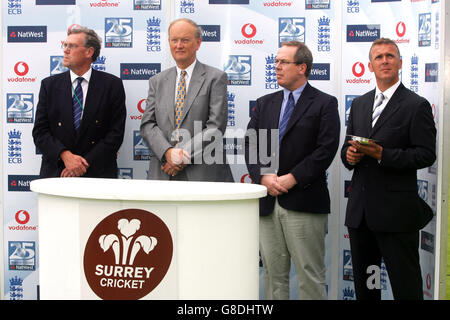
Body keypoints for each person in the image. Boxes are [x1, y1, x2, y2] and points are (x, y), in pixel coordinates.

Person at [341, 38, 436, 300]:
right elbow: (346, 148)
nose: (385, 60)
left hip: (396, 216)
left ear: (400, 63)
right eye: (379, 57)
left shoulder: (416, 105)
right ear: (369, 66)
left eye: (390, 56)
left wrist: (384, 155)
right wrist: (349, 155)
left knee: (406, 287)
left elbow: (426, 154)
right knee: (368, 287)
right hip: (361, 216)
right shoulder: (359, 103)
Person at [245, 41, 340, 299]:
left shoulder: (324, 103)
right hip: (268, 203)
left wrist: (293, 178)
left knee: (309, 276)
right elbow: (251, 143)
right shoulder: (265, 103)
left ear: (302, 67)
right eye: (275, 61)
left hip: (304, 200)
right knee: (274, 278)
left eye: (282, 62)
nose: (276, 67)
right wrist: (263, 176)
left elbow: (326, 149)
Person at [140, 18, 233, 182]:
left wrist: (179, 156)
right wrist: (167, 152)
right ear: (169, 42)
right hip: (163, 171)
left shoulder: (215, 78)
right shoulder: (157, 80)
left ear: (198, 43)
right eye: (174, 40)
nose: (179, 45)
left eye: (185, 40)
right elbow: (148, 124)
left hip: (202, 173)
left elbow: (215, 127)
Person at [33, 25, 126, 178]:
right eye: (65, 45)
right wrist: (65, 156)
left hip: (97, 174)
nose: (65, 50)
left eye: (72, 46)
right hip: (57, 172)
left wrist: (81, 164)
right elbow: (40, 132)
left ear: (89, 52)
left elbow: (115, 134)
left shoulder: (111, 85)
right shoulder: (49, 85)